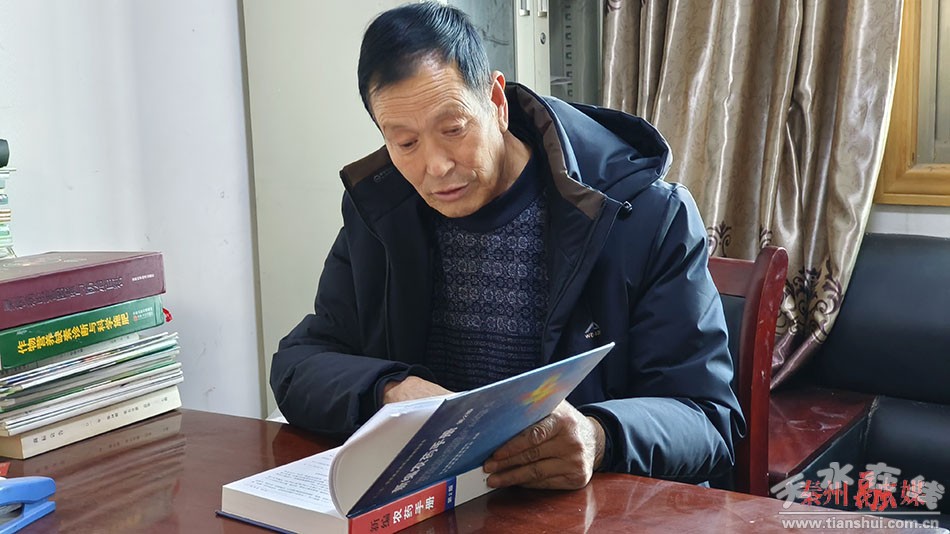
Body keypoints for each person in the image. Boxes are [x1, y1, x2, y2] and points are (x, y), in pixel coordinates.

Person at [271, 1, 743, 491]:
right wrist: (388, 390)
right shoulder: (382, 212)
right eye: (406, 143)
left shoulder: (642, 214)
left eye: (453, 129)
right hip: (452, 501)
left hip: (593, 505)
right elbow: (299, 363)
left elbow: (710, 420)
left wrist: (600, 436)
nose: (436, 166)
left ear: (496, 101)